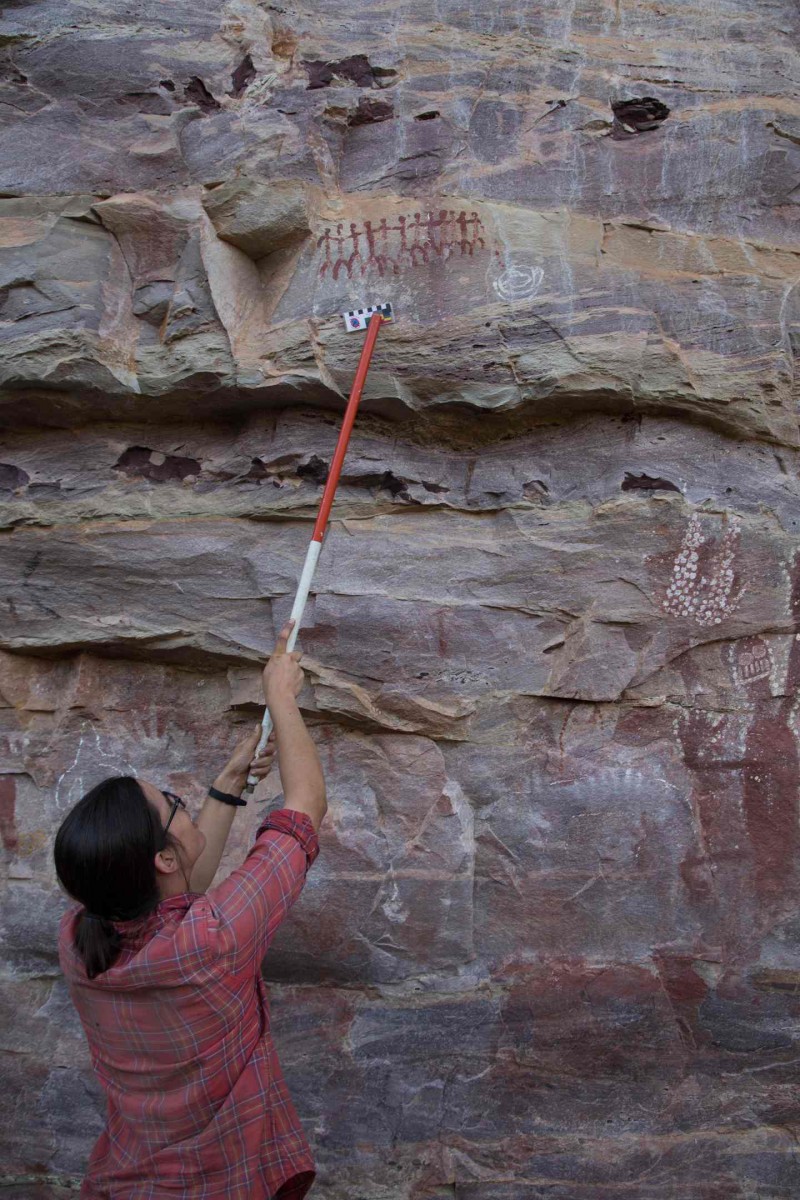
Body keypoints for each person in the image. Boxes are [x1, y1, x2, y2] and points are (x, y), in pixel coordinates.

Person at [54, 621, 327, 1200]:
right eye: (175, 806)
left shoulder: (78, 940)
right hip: (223, 1181)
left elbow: (177, 889)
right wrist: (281, 697)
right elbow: (303, 808)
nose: (183, 805)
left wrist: (229, 784)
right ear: (159, 857)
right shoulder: (215, 940)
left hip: (129, 1180)